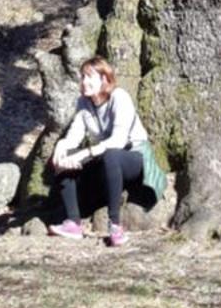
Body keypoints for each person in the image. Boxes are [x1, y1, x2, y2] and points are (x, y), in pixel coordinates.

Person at [48, 57, 148, 247]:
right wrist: (62, 145)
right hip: (106, 161)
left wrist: (84, 153)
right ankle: (73, 223)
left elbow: (118, 141)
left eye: (90, 77)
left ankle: (115, 226)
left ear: (104, 79)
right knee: (64, 159)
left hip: (133, 157)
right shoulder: (84, 103)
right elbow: (75, 134)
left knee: (111, 155)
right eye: (83, 77)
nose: (84, 82)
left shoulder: (119, 97)